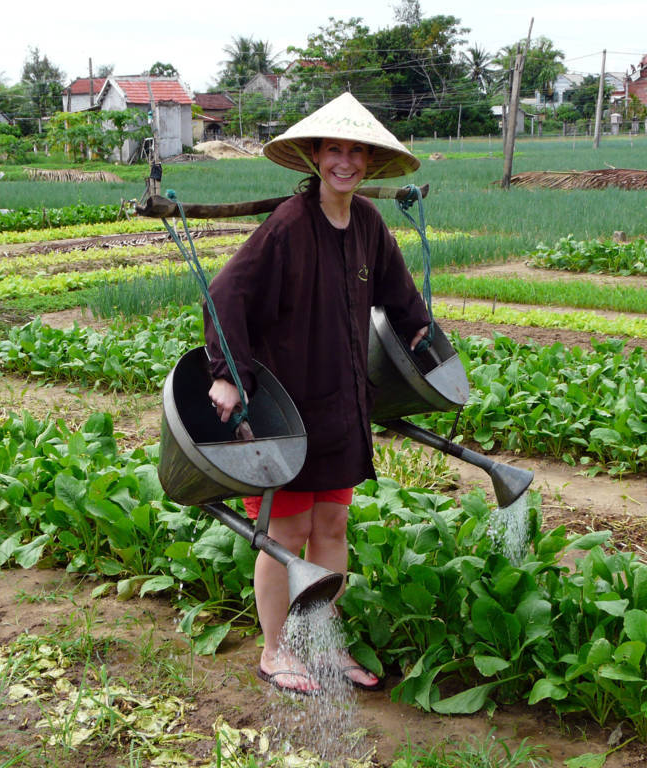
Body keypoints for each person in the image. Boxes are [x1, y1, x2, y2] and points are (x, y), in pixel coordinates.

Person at [204, 93, 430, 695]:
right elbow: (227, 296)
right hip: (288, 409)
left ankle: (323, 644)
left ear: (368, 161)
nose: (345, 161)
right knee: (286, 534)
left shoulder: (367, 226)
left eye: (356, 150)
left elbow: (399, 295)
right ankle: (276, 651)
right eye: (335, 148)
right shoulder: (288, 225)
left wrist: (419, 330)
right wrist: (227, 373)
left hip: (342, 406)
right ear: (315, 155)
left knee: (331, 525)